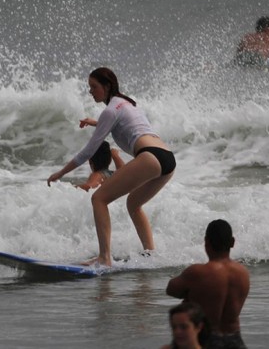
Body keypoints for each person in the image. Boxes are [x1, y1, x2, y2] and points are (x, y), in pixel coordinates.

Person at [47, 67, 176, 266]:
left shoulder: (109, 111)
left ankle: (104, 257)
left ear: (107, 86)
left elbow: (88, 152)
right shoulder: (127, 103)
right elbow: (125, 123)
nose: (90, 91)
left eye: (94, 86)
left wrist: (61, 173)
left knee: (99, 198)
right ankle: (151, 254)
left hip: (150, 157)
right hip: (167, 158)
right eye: (89, 87)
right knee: (133, 204)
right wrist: (95, 123)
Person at [166, 219, 250, 349]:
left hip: (206, 340)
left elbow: (171, 290)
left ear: (206, 242)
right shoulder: (243, 273)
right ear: (232, 242)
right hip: (235, 339)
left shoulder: (197, 272)